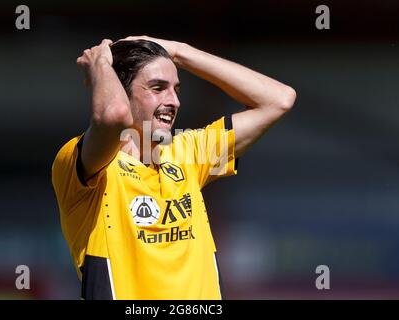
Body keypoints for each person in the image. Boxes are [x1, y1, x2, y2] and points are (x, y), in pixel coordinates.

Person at [51, 35, 296, 300]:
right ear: (120, 90)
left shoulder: (187, 154)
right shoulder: (85, 164)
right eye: (158, 88)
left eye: (176, 89)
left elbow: (279, 99)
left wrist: (181, 52)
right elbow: (114, 115)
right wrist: (100, 63)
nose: (174, 102)